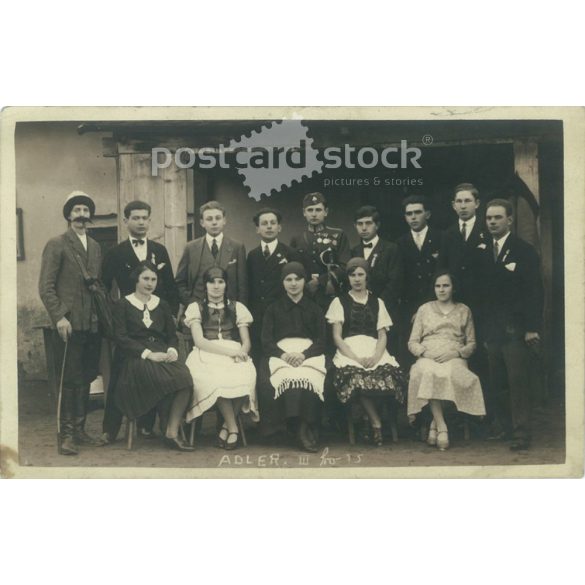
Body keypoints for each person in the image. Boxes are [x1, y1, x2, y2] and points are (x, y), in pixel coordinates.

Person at [101, 200, 181, 442]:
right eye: (135, 218)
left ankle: (147, 425)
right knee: (119, 375)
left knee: (158, 371)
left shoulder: (159, 250)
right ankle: (110, 429)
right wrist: (114, 316)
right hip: (128, 323)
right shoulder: (115, 253)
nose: (141, 222)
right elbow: (104, 288)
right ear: (125, 221)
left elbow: (169, 286)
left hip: (156, 322)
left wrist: (171, 316)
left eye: (145, 218)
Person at [39, 191, 106, 455]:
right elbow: (46, 287)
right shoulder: (57, 244)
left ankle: (79, 429)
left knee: (87, 376)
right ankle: (65, 435)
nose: (81, 215)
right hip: (69, 324)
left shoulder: (97, 246)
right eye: (76, 210)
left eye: (85, 211)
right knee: (69, 379)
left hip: (91, 323)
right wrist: (59, 317)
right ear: (68, 215)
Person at [479, 198, 543, 451]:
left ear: (509, 220)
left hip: (516, 329)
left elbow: (535, 292)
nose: (492, 222)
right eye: (489, 218)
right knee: (498, 382)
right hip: (492, 330)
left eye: (497, 217)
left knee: (518, 382)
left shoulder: (524, 251)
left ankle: (522, 433)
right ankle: (506, 427)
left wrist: (532, 328)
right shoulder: (482, 250)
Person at [111, 262, 194, 451]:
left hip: (161, 352)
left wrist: (172, 351)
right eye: (145, 279)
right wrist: (148, 354)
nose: (150, 283)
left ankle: (171, 431)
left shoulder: (162, 304)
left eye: (154, 279)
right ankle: (165, 425)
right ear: (136, 280)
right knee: (165, 379)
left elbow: (172, 335)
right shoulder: (123, 304)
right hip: (136, 357)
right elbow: (121, 337)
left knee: (185, 378)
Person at [325, 258, 406, 446]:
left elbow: (382, 335)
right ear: (348, 278)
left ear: (367, 276)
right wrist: (355, 358)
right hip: (349, 350)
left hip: (375, 349)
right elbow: (337, 337)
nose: (357, 279)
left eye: (360, 274)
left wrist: (376, 356)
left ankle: (368, 421)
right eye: (352, 275)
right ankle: (375, 421)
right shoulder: (339, 302)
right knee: (356, 377)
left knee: (388, 376)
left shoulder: (378, 302)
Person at [407, 271, 486, 451]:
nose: (441, 290)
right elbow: (412, 342)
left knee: (448, 373)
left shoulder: (464, 310)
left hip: (454, 356)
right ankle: (442, 427)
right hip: (428, 355)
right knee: (428, 371)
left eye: (446, 285)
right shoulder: (424, 309)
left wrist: (457, 353)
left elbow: (472, 343)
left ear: (453, 288)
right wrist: (424, 353)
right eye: (438, 286)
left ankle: (435, 425)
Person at [184, 267, 258, 450]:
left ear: (226, 284)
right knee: (217, 380)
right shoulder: (196, 308)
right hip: (205, 354)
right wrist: (230, 353)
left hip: (234, 351)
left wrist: (243, 352)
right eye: (211, 282)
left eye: (221, 282)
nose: (216, 286)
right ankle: (233, 428)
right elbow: (200, 341)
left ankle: (226, 426)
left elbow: (246, 340)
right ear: (205, 285)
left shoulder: (237, 307)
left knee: (247, 374)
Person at [259, 262, 327, 452]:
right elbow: (266, 341)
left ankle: (306, 425)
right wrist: (284, 355)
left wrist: (304, 355)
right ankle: (290, 426)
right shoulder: (273, 309)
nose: (293, 283)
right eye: (288, 279)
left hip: (308, 352)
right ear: (283, 283)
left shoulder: (315, 309)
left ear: (304, 281)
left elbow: (322, 340)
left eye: (298, 279)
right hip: (282, 353)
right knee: (283, 378)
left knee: (309, 377)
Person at [246, 207, 302, 363]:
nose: (269, 226)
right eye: (264, 223)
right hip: (257, 315)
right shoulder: (252, 255)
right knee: (258, 355)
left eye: (273, 223)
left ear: (279, 227)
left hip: (281, 313)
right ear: (257, 229)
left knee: (279, 355)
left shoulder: (290, 253)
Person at [175, 200, 248, 307]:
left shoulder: (237, 247)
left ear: (224, 220)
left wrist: (239, 309)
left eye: (218, 218)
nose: (214, 222)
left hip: (229, 311)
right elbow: (180, 282)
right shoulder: (190, 248)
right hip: (197, 311)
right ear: (202, 223)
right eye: (209, 219)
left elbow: (243, 285)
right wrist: (191, 304)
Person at [351, 205, 402, 349]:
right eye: (360, 224)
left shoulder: (391, 249)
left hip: (385, 310)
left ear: (377, 225)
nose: (364, 228)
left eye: (368, 223)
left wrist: (376, 306)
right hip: (360, 311)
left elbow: (395, 283)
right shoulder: (354, 251)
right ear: (355, 226)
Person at [289, 192, 351, 310]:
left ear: (326, 212)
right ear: (304, 213)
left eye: (318, 210)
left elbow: (345, 265)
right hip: (305, 295)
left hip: (330, 295)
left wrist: (319, 282)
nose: (314, 214)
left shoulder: (338, 235)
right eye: (310, 210)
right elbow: (293, 267)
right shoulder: (297, 239)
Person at [438, 183, 486, 317]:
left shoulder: (486, 230)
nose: (463, 206)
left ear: (477, 203)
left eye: (467, 201)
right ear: (453, 205)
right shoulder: (448, 234)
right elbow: (442, 266)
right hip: (456, 300)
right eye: (459, 201)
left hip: (482, 300)